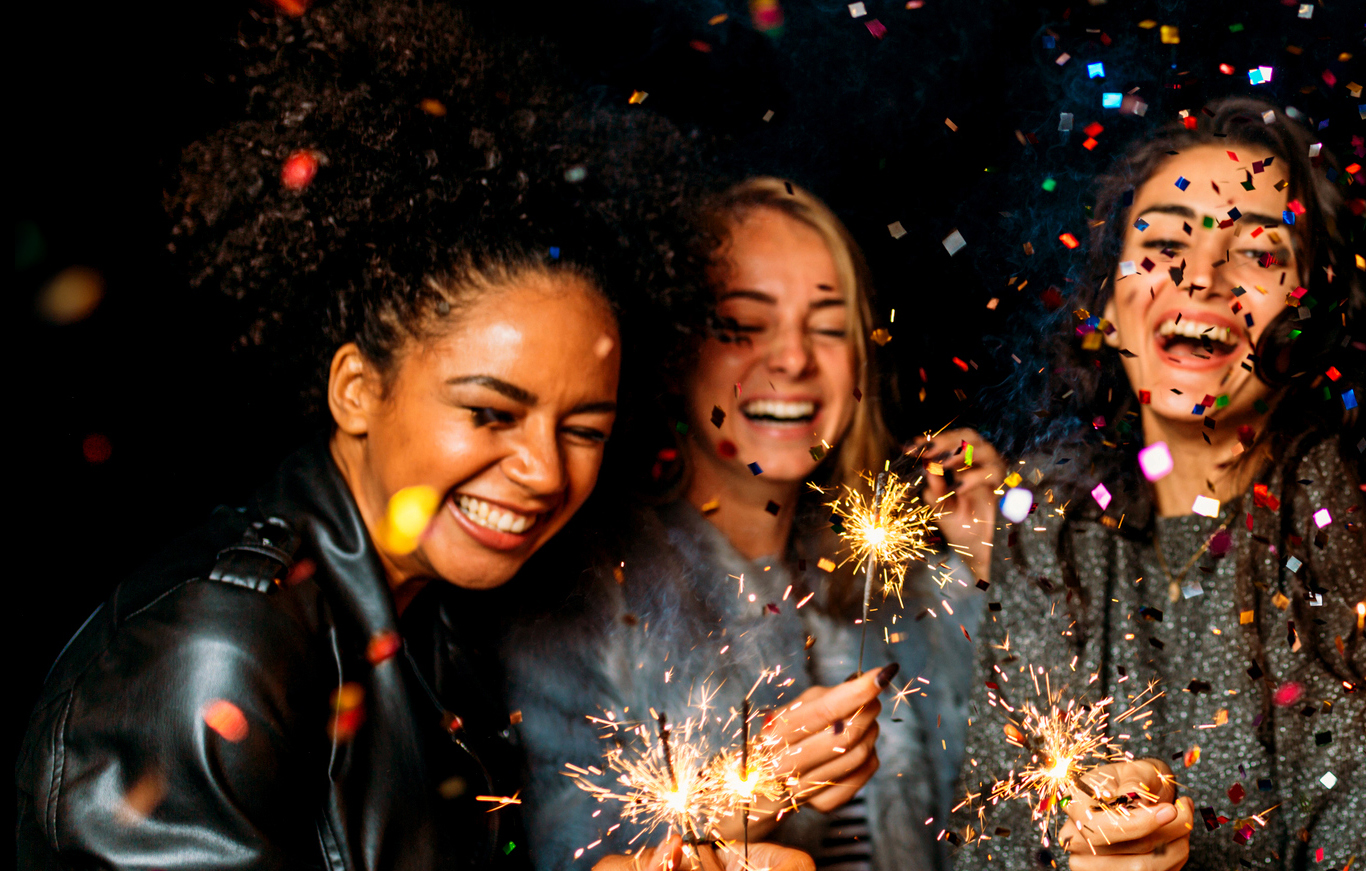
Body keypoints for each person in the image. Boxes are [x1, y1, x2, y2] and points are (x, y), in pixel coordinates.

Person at [8, 1, 785, 869]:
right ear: (356, 390)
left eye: (584, 427)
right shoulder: (218, 652)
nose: (540, 468)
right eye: (489, 412)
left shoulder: (433, 628)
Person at [954, 96, 1366, 871]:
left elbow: (1361, 845)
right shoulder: (1050, 518)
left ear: (1311, 314)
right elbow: (994, 843)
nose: (1200, 276)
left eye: (1258, 253)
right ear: (1106, 302)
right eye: (1164, 241)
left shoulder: (1336, 516)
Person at [499, 178, 994, 871]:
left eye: (827, 325)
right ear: (676, 352)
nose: (793, 358)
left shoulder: (903, 579)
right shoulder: (588, 586)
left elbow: (999, 820)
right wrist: (733, 798)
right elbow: (563, 851)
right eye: (741, 325)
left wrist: (988, 572)